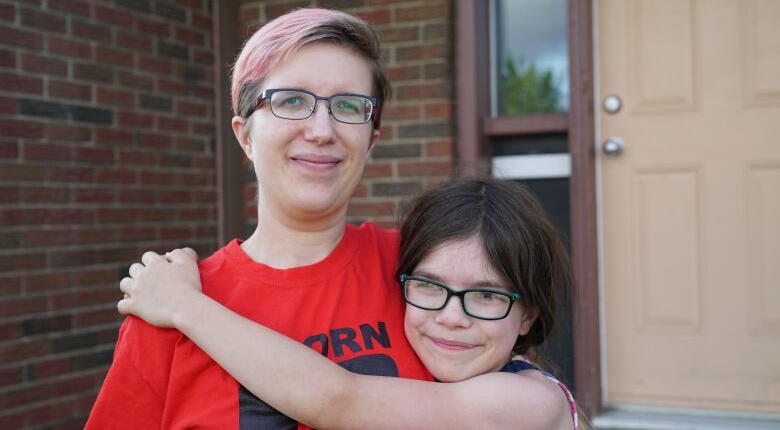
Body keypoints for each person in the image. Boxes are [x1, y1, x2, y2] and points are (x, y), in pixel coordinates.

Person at [86, 8, 432, 429]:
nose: (322, 130)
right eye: (291, 101)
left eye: (348, 105)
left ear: (371, 139)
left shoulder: (422, 268)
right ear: (244, 135)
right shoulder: (165, 305)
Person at [119, 179, 581, 429]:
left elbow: (337, 399)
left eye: (486, 295)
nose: (451, 317)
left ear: (529, 315)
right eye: (429, 286)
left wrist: (183, 305)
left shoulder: (531, 402)